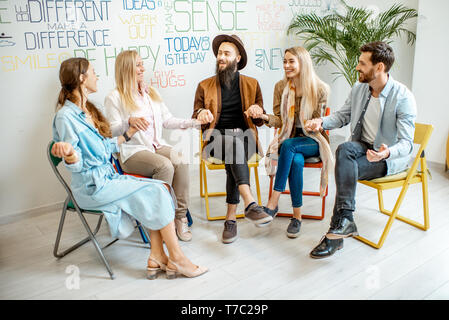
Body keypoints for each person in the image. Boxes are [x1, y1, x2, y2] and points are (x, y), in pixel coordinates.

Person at [51, 57, 207, 279]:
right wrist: (70, 155)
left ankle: (157, 256)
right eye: (93, 72)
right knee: (157, 190)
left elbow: (105, 147)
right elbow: (76, 167)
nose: (97, 76)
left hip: (108, 178)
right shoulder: (65, 117)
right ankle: (178, 259)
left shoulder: (87, 111)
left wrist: (128, 134)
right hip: (92, 188)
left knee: (158, 190)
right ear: (82, 79)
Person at [305, 41, 417, 258]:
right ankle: (345, 219)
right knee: (345, 149)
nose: (357, 67)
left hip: (387, 158)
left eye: (362, 63)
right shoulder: (359, 89)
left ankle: (335, 235)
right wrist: (321, 121)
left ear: (380, 68)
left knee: (347, 165)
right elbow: (342, 116)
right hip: (362, 146)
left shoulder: (403, 97)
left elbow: (407, 144)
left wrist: (385, 153)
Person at [104, 50, 200, 242]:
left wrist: (193, 122)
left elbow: (168, 120)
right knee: (164, 165)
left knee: (179, 158)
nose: (143, 68)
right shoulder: (114, 97)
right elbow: (111, 131)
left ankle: (179, 217)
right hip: (132, 153)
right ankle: (161, 222)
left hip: (155, 146)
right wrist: (128, 121)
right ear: (127, 68)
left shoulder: (150, 93)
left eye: (142, 64)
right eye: (138, 65)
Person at [192, 34, 272, 244]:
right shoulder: (204, 85)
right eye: (219, 53)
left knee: (234, 150)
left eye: (227, 53)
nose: (221, 57)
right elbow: (196, 114)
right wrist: (201, 113)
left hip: (245, 139)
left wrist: (257, 110)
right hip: (215, 141)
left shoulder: (252, 84)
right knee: (232, 145)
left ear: (238, 58)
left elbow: (262, 116)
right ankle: (249, 203)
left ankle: (231, 220)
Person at [254, 46, 333, 238]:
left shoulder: (320, 89)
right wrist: (264, 116)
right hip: (289, 137)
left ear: (303, 63)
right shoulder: (280, 88)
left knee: (289, 146)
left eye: (291, 61)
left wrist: (313, 124)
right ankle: (297, 217)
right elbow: (280, 120)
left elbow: (319, 125)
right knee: (295, 159)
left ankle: (273, 202)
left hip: (312, 139)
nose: (287, 65)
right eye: (285, 61)